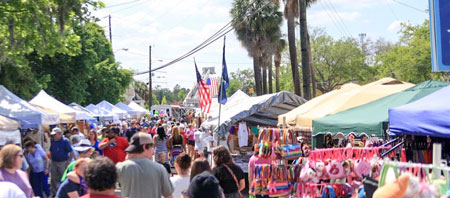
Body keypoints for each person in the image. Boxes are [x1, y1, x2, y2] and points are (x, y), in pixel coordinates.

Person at [116, 132, 174, 198]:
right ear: (144, 147)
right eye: (151, 147)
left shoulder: (121, 167)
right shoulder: (159, 168)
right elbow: (169, 196)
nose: (152, 151)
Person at [50, 127, 75, 196]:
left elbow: (71, 152)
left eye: (55, 134)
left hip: (62, 162)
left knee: (63, 178)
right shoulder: (53, 141)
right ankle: (54, 193)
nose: (54, 136)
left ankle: (64, 194)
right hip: (54, 162)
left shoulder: (65, 141)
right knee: (53, 179)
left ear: (59, 134)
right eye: (53, 135)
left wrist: (68, 162)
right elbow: (51, 150)